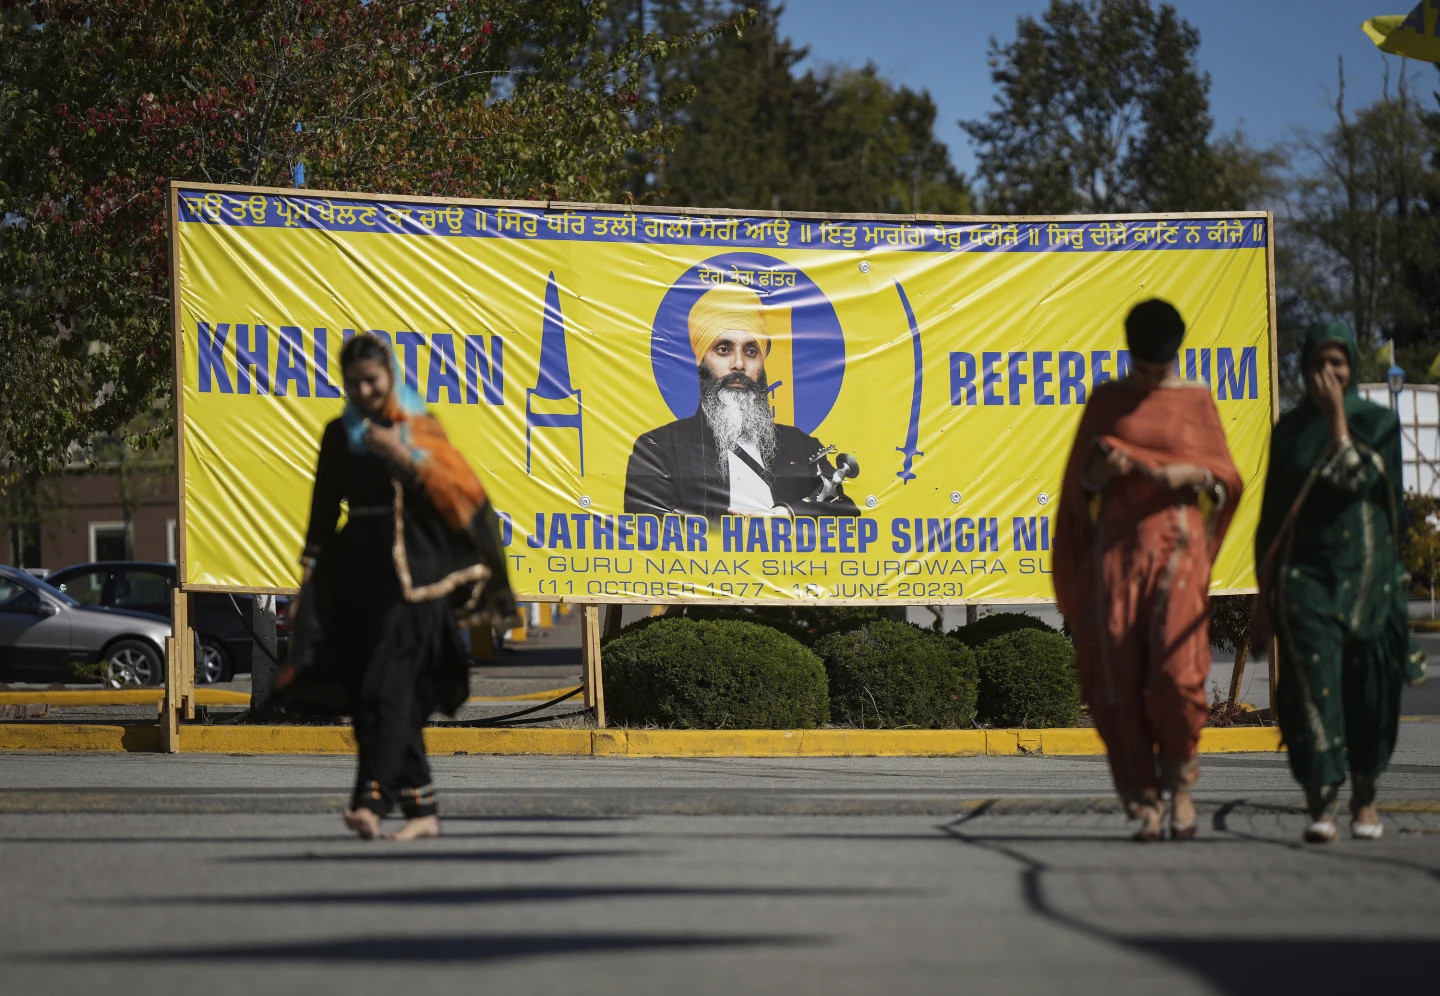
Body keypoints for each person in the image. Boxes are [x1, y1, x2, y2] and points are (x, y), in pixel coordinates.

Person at [282, 333, 516, 841]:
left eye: (373, 380)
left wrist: (401, 455)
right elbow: (322, 512)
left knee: (385, 688)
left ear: (389, 375)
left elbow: (462, 496)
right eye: (354, 383)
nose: (365, 391)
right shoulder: (338, 434)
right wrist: (306, 585)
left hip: (418, 582)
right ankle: (422, 813)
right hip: (357, 579)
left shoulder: (416, 427)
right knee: (375, 694)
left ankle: (370, 800)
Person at [1054, 299, 1242, 841]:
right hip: (1118, 554)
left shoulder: (1195, 400)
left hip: (1178, 552)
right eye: (1143, 366)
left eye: (1158, 368)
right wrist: (1098, 473)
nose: (1151, 378)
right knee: (1114, 674)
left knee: (1176, 675)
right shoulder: (1108, 400)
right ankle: (1142, 799)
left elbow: (1225, 477)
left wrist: (1191, 474)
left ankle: (1180, 784)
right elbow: (1076, 488)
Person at [1254, 322, 1425, 843]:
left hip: (1370, 581)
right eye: (1317, 366)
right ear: (1303, 368)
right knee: (1310, 692)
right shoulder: (1289, 431)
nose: (1328, 375)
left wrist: (1336, 422)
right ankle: (1320, 804)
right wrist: (1263, 598)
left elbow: (1363, 484)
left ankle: (1366, 800)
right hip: (1305, 582)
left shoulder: (1378, 425)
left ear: (1351, 367)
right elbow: (1271, 518)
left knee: (1370, 694)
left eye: (1338, 365)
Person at [624, 283, 859, 526]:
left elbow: (847, 513)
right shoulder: (657, 449)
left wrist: (788, 514)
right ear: (701, 363)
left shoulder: (799, 446)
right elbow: (647, 527)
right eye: (723, 350)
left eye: (750, 351)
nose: (739, 364)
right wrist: (731, 531)